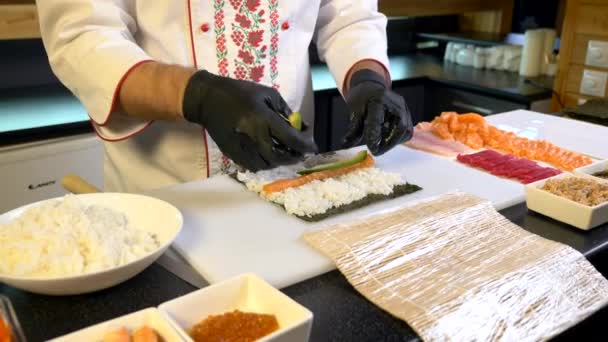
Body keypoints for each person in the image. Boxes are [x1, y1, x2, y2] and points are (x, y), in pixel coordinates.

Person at [36, 0, 413, 192]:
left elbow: (349, 14)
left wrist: (367, 78)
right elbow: (81, 35)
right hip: (170, 192)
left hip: (290, 180)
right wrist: (198, 95)